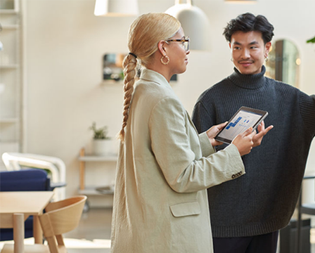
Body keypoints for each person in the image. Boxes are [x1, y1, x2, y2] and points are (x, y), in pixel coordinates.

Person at [110, 13, 258, 253]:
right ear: (163, 48)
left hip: (148, 230)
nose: (187, 49)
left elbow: (159, 157)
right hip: (169, 237)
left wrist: (204, 141)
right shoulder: (163, 100)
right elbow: (184, 177)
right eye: (182, 41)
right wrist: (234, 152)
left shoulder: (143, 91)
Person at [192, 12, 315, 253]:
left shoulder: (290, 98)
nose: (244, 55)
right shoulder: (210, 101)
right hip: (220, 223)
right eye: (237, 47)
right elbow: (195, 163)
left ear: (267, 48)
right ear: (230, 48)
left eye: (252, 46)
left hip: (268, 219)